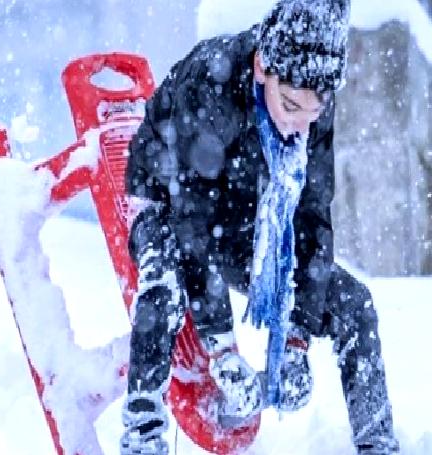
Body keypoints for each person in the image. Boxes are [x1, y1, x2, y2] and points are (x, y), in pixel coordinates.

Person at [121, 1, 398, 454]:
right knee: (166, 279)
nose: (296, 124)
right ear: (262, 65)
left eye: (310, 113)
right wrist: (224, 350)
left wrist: (296, 338)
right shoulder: (209, 86)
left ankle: (378, 445)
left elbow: (311, 218)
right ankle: (142, 433)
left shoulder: (313, 97)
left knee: (354, 303)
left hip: (248, 212)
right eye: (288, 105)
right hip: (168, 199)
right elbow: (193, 226)